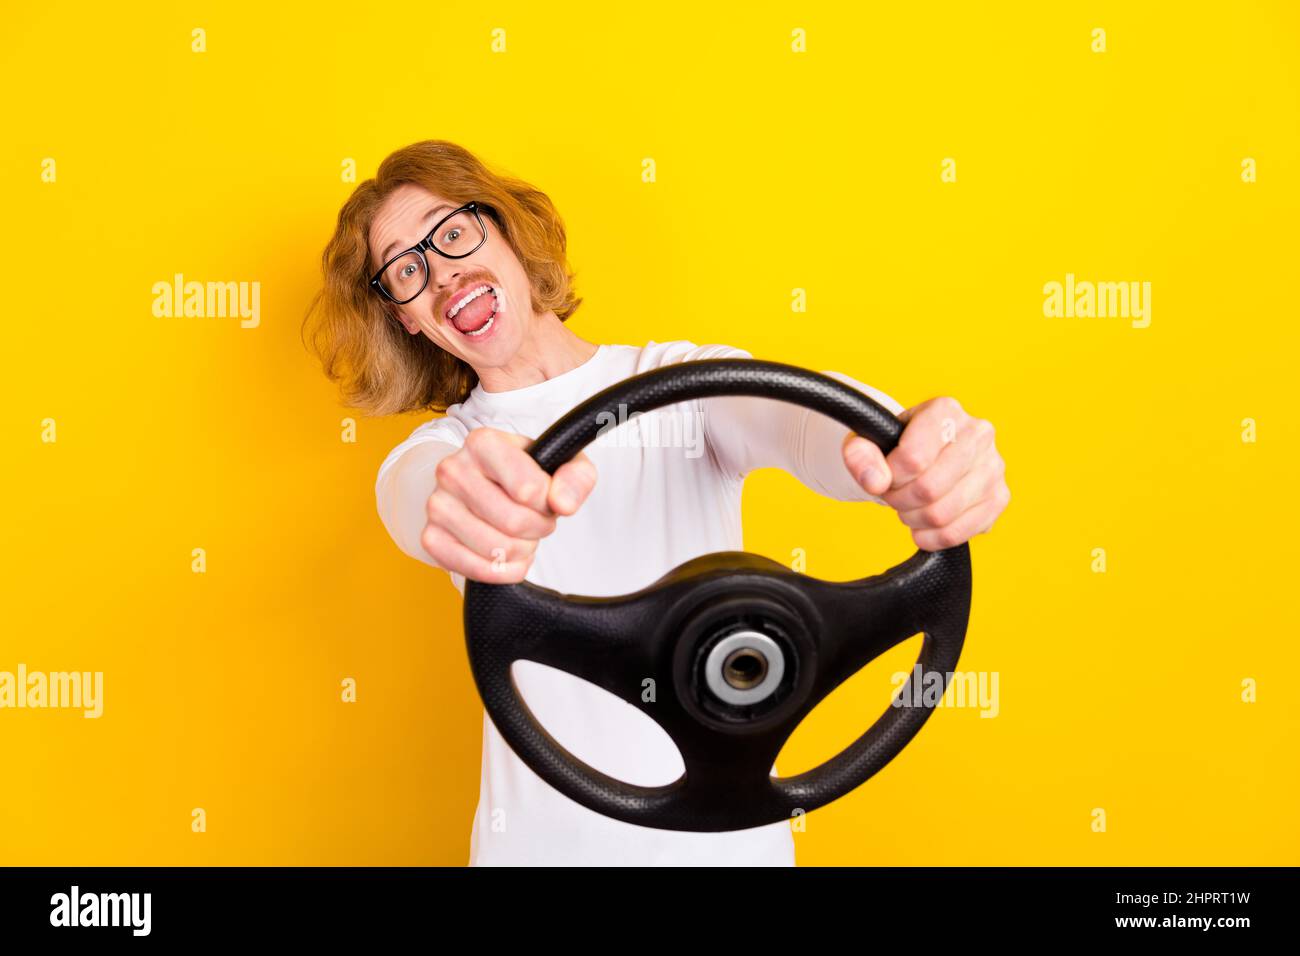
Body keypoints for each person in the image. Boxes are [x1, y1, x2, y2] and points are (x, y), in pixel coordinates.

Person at [302, 140, 1010, 866]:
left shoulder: (683, 380)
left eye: (453, 233)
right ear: (408, 318)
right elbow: (418, 498)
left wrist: (907, 449)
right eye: (406, 271)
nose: (443, 273)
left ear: (508, 230)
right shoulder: (444, 455)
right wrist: (463, 505)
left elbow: (795, 417)